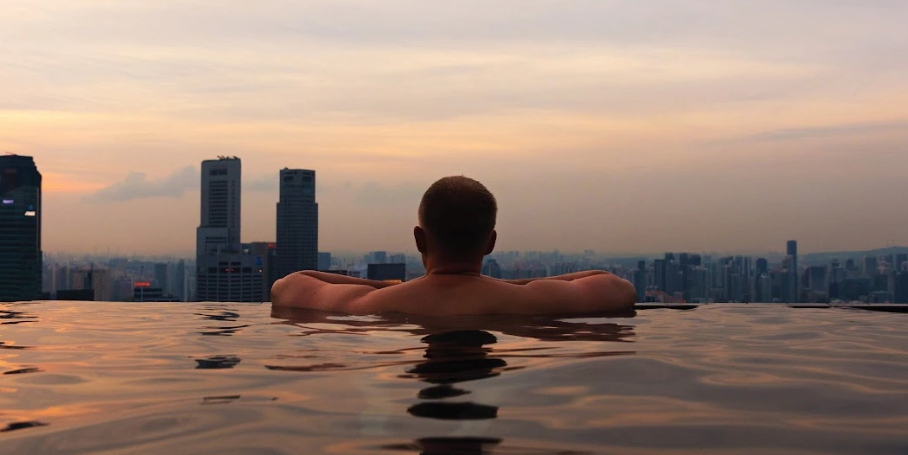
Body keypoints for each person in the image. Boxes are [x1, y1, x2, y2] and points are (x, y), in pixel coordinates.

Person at [270, 176, 636, 316]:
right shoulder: (532, 302)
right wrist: (509, 286)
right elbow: (615, 287)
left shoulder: (372, 305)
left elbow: (288, 285)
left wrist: (385, 287)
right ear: (491, 242)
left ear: (419, 239)